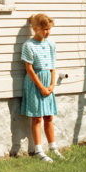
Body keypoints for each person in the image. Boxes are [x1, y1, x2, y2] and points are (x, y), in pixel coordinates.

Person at [20, 13, 62, 162]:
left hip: (48, 83)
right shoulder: (28, 46)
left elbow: (52, 66)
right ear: (35, 28)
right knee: (37, 117)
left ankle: (53, 147)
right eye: (44, 29)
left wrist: (51, 85)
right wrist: (41, 87)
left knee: (49, 116)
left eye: (49, 29)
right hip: (35, 82)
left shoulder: (51, 44)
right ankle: (38, 149)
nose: (47, 32)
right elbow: (29, 69)